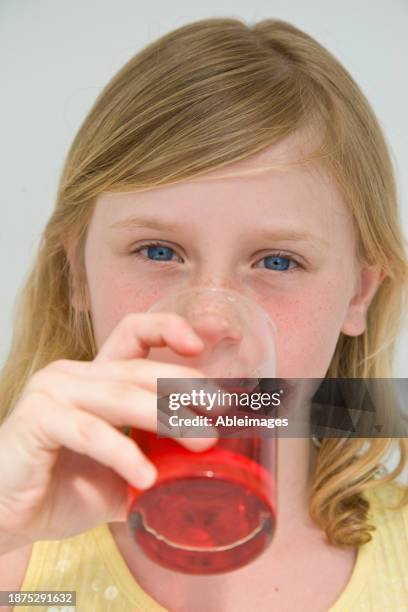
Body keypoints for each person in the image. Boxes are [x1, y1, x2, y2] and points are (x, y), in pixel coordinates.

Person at [0, 16, 407, 612]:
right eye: (158, 252)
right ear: (75, 273)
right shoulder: (22, 562)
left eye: (277, 261)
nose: (208, 324)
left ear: (358, 295)